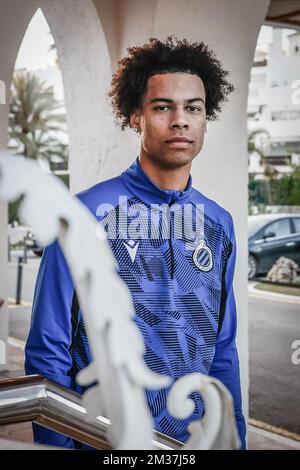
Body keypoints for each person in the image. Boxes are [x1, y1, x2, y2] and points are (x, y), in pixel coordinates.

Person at [25, 36, 246, 449]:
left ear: (204, 117)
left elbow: (223, 352)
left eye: (193, 108)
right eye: (163, 107)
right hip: (103, 443)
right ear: (134, 116)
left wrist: (234, 441)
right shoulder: (84, 216)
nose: (180, 120)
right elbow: (47, 350)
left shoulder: (218, 224)